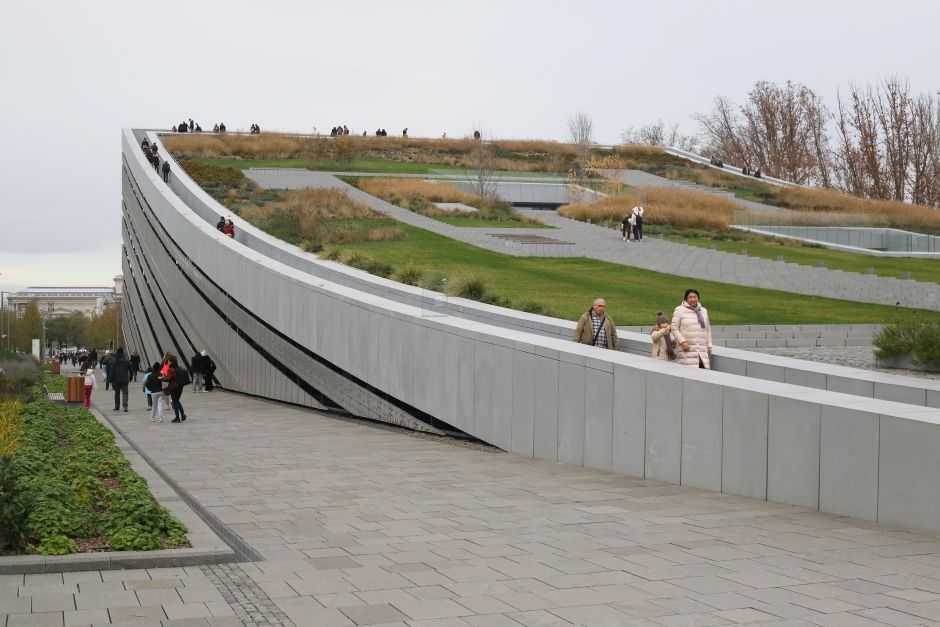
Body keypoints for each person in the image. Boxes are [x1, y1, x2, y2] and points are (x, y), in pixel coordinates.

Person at [671, 288, 712, 368]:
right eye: (690, 297)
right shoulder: (679, 310)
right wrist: (682, 342)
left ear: (698, 298)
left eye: (695, 297)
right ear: (686, 299)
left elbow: (708, 329)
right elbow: (674, 328)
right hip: (686, 349)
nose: (693, 299)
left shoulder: (703, 311)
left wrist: (709, 345)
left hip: (702, 350)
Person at [162, 357, 187, 423]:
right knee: (177, 400)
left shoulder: (170, 369)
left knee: (174, 401)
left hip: (174, 387)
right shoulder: (179, 367)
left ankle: (177, 417)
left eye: (169, 361)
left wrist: (162, 378)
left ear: (171, 362)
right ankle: (182, 414)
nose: (168, 362)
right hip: (180, 386)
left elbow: (168, 378)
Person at [108, 347, 132, 412]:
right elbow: (131, 370)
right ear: (123, 353)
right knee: (125, 393)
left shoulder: (114, 361)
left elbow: (111, 371)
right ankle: (125, 407)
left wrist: (110, 380)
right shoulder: (127, 361)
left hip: (116, 380)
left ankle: (117, 407)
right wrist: (130, 378)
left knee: (117, 393)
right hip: (125, 380)